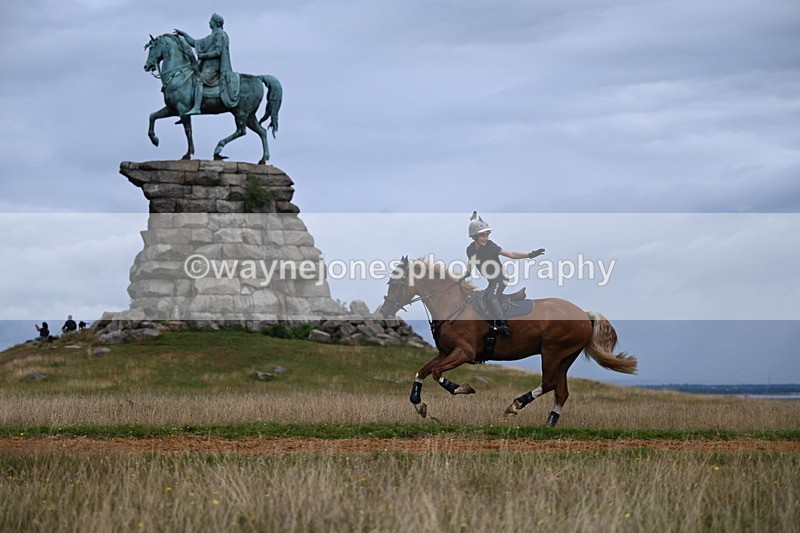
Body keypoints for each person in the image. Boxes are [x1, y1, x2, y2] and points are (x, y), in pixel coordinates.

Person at [466, 212, 544, 336]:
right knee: (484, 298)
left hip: (501, 278)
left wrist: (530, 255)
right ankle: (515, 296)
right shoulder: (470, 249)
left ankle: (503, 325)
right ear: (474, 236)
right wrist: (467, 273)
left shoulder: (490, 247)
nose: (486, 238)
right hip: (491, 280)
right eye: (483, 236)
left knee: (492, 298)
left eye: (487, 235)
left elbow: (511, 254)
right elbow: (472, 261)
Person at [174, 13, 240, 117]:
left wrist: (204, 55)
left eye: (211, 20)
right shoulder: (210, 37)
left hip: (214, 68)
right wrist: (184, 35)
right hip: (206, 67)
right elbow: (194, 42)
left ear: (215, 22)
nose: (209, 22)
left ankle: (196, 107)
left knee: (199, 80)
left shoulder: (220, 35)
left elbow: (218, 52)